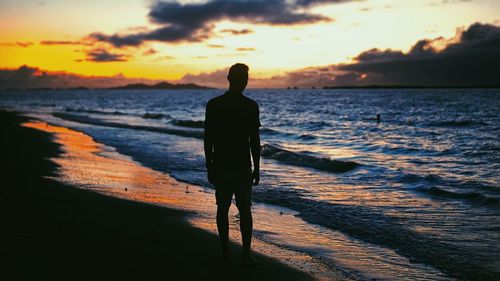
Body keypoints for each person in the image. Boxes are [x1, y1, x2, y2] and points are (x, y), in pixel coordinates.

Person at [204, 63, 261, 265]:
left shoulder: (215, 104)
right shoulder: (250, 106)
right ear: (241, 80)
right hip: (241, 165)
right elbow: (254, 141)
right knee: (244, 210)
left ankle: (225, 253)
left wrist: (209, 165)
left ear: (229, 78)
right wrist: (257, 168)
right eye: (243, 78)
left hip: (222, 164)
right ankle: (245, 255)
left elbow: (208, 138)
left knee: (223, 209)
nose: (244, 82)